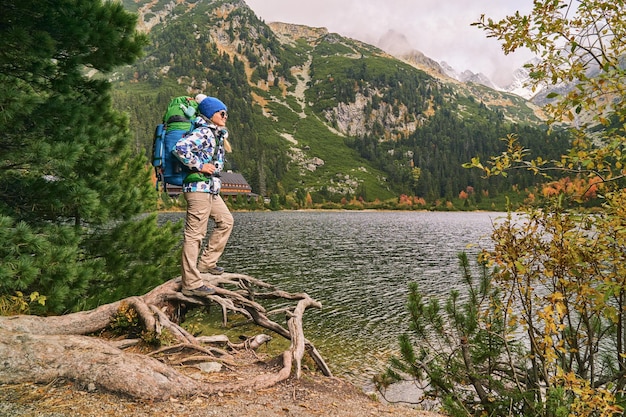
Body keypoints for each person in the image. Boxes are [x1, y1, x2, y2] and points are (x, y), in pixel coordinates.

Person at [173, 96, 234, 297]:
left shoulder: (216, 134)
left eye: (226, 113)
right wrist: (199, 166)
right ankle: (190, 283)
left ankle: (207, 263)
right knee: (195, 235)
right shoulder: (204, 132)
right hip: (198, 188)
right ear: (210, 114)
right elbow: (180, 148)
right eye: (221, 113)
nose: (225, 116)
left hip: (210, 188)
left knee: (226, 221)